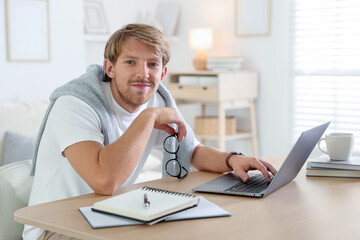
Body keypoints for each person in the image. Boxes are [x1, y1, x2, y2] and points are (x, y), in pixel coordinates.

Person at [23, 23, 277, 240]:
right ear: (110, 68)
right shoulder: (75, 103)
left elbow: (191, 150)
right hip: (54, 226)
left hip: (112, 213)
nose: (143, 74)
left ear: (163, 72)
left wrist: (232, 159)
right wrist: (149, 117)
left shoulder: (159, 98)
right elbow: (104, 181)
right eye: (130, 62)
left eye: (152, 64)